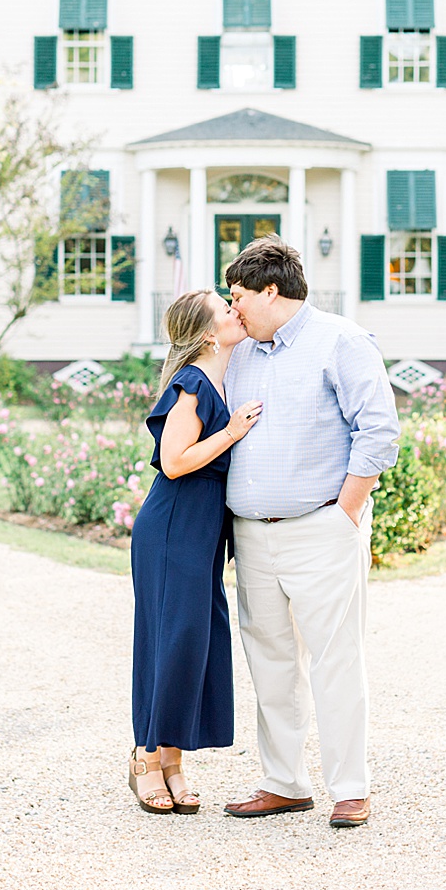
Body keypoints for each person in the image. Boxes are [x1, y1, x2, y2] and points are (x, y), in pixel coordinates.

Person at [218, 237, 400, 829]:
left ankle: (350, 787)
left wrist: (345, 513)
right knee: (269, 662)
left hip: (322, 527)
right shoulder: (240, 351)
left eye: (239, 295)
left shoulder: (341, 341)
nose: (232, 306)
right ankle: (284, 782)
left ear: (272, 291)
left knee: (335, 659)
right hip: (253, 535)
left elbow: (378, 431)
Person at [128, 290, 265, 814]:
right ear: (208, 333)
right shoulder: (192, 384)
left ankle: (174, 762)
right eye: (224, 308)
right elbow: (175, 461)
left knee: (194, 644)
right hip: (171, 531)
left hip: (202, 533)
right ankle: (146, 757)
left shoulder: (225, 378)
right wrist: (231, 432)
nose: (236, 310)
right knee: (169, 641)